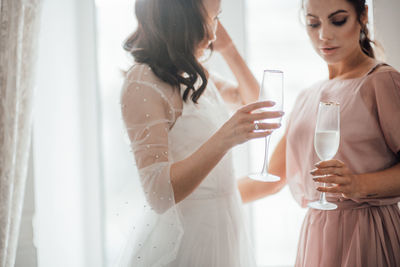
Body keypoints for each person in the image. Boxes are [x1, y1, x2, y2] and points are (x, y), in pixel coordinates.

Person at [117, 0, 284, 266]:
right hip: (188, 238)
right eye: (207, 21)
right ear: (178, 20)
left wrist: (229, 51)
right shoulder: (142, 82)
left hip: (225, 227)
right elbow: (159, 195)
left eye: (217, 19)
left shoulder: (192, 72)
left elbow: (255, 101)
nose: (213, 34)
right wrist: (224, 139)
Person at [256, 0, 400, 266]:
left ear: (363, 15)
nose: (323, 35)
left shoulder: (381, 81)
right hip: (316, 231)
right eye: (313, 23)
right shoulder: (307, 96)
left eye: (337, 20)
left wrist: (358, 184)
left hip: (366, 229)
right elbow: (273, 176)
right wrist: (198, 199)